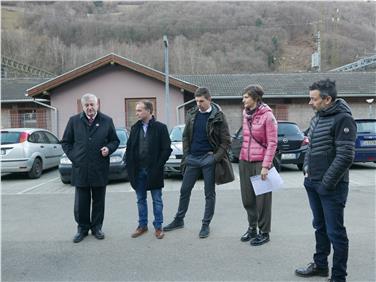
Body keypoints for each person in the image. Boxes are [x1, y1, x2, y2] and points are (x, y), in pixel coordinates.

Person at [295, 79, 356, 282]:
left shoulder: (343, 119)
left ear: (327, 99)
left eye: (314, 99)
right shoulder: (317, 117)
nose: (310, 102)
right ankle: (321, 266)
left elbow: (346, 156)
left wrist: (326, 184)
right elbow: (311, 147)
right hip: (313, 182)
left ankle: (339, 277)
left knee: (335, 232)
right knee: (319, 227)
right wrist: (306, 169)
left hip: (332, 186)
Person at [163, 87, 232, 238]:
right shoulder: (192, 114)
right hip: (192, 158)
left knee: (209, 194)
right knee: (184, 190)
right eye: (197, 101)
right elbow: (186, 136)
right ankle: (179, 220)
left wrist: (214, 158)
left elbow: (226, 141)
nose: (199, 104)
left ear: (209, 99)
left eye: (201, 101)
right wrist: (187, 156)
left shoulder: (219, 116)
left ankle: (205, 224)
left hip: (209, 159)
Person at [61, 93, 120, 243]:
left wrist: (108, 148)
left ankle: (97, 228)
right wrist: (75, 157)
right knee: (81, 202)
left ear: (97, 105)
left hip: (99, 167)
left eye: (92, 104)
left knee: (99, 200)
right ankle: (82, 228)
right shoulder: (74, 121)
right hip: (81, 168)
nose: (90, 108)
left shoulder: (107, 120)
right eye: (86, 105)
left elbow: (115, 140)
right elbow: (66, 142)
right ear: (83, 106)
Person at [125, 100, 172, 239]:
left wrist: (158, 166)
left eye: (139, 110)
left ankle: (158, 227)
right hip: (138, 171)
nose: (137, 113)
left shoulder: (160, 128)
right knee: (140, 199)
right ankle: (142, 225)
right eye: (137, 110)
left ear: (149, 111)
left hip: (154, 171)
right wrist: (130, 167)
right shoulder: (134, 128)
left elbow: (166, 149)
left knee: (157, 200)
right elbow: (129, 150)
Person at [238, 84, 278, 246]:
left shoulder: (268, 116)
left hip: (260, 162)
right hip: (244, 160)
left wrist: (266, 166)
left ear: (255, 98)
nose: (243, 100)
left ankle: (264, 232)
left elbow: (272, 143)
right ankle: (252, 228)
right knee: (247, 199)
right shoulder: (245, 114)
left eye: (246, 97)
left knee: (262, 200)